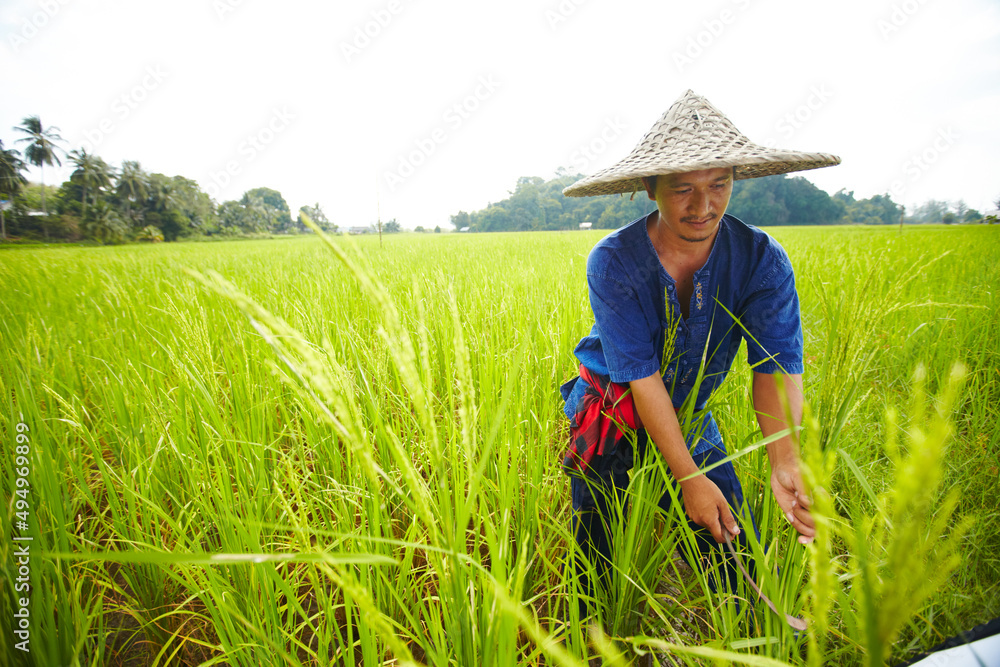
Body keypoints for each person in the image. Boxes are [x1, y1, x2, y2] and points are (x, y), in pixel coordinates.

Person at [559, 89, 840, 613]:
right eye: (682, 188)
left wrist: (785, 460)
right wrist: (687, 478)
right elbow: (641, 379)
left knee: (741, 564)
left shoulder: (760, 260)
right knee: (599, 573)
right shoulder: (615, 260)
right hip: (612, 417)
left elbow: (774, 367)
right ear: (649, 187)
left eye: (719, 184)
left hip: (690, 415)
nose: (703, 205)